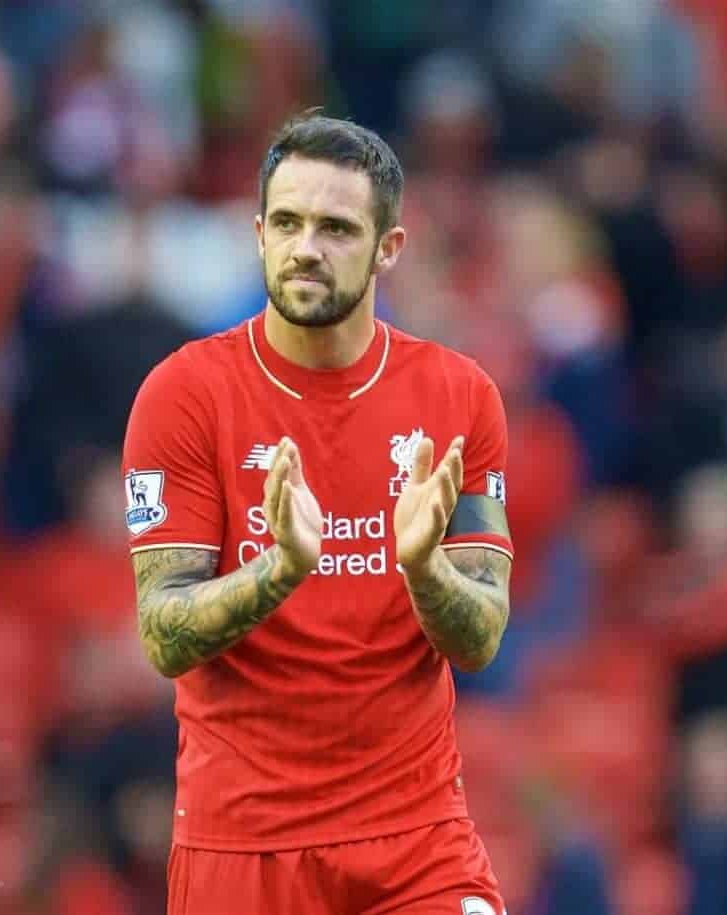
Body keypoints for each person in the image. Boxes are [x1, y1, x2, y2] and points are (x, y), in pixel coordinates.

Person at [122, 112, 514, 915]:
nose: (307, 247)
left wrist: (423, 566)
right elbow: (162, 631)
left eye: (337, 228)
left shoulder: (459, 396)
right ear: (258, 232)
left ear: (387, 249)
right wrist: (279, 569)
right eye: (289, 223)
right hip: (243, 843)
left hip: (414, 841)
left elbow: (479, 637)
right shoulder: (184, 394)